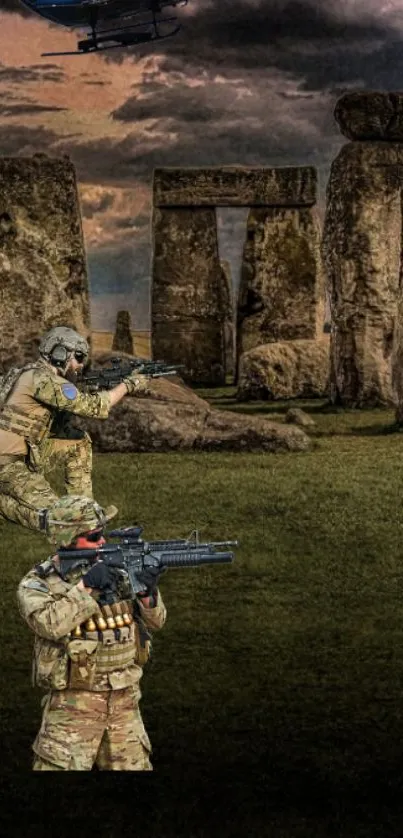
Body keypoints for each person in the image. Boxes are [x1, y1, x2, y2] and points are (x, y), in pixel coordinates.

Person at [17, 495, 167, 771]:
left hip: (125, 703)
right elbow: (50, 624)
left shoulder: (119, 572)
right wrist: (87, 587)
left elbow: (157, 622)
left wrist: (148, 592)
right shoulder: (39, 583)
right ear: (68, 537)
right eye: (94, 536)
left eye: (103, 535)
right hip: (72, 707)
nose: (102, 542)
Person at [0, 325, 148, 532]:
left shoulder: (26, 374)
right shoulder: (43, 379)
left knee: (78, 442)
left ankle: (83, 507)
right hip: (8, 465)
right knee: (63, 519)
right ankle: (78, 519)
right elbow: (96, 407)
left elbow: (58, 425)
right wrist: (129, 385)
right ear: (60, 353)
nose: (81, 364)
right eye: (78, 357)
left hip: (21, 456)